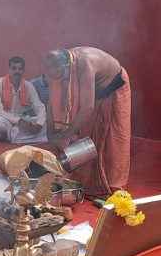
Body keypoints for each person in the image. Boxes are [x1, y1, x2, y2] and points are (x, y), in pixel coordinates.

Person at [43, 46, 131, 198]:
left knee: (114, 139)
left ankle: (113, 185)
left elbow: (87, 109)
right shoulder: (54, 71)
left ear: (68, 66)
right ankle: (87, 180)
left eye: (62, 77)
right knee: (86, 135)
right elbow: (50, 106)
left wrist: (66, 137)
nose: (61, 82)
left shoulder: (85, 63)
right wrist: (51, 137)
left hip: (113, 88)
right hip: (93, 91)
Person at [0, 56, 47, 144]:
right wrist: (19, 121)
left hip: (23, 122)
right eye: (14, 68)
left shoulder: (28, 86)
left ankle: (14, 137)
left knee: (46, 123)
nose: (17, 71)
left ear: (23, 71)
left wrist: (39, 124)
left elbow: (39, 106)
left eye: (20, 68)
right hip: (5, 120)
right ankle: (23, 138)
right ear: (9, 69)